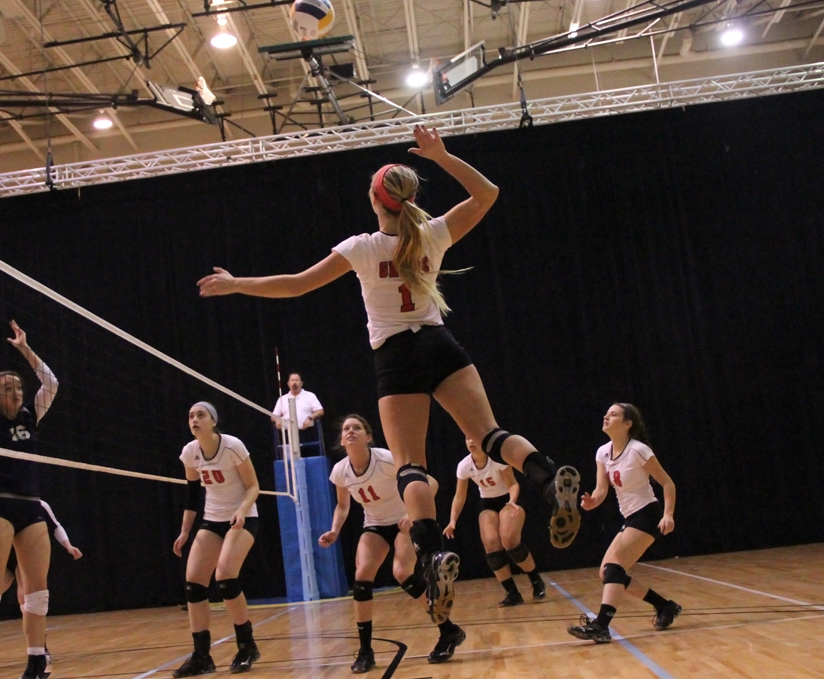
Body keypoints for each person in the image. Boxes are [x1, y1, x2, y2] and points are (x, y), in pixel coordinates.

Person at [198, 125, 581, 626]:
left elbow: (294, 286)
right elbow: (488, 193)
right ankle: (551, 481)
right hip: (439, 343)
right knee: (490, 434)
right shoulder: (435, 233)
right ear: (410, 198)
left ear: (375, 203)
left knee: (410, 464)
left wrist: (235, 285)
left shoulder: (360, 247)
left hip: (396, 356)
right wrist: (442, 155)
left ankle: (430, 554)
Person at [319, 415, 464, 673]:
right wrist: (334, 530)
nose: (350, 431)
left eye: (357, 427)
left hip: (402, 520)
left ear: (368, 436)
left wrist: (413, 513)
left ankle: (447, 629)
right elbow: (343, 506)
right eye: (346, 429)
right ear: (342, 439)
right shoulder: (340, 471)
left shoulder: (385, 459)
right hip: (374, 523)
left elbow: (430, 483)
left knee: (402, 572)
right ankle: (366, 651)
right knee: (362, 576)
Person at [0, 320, 58, 679]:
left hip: (30, 505)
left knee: (37, 590)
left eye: (18, 385)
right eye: (8, 387)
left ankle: (37, 660)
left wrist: (25, 349)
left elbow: (51, 383)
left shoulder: (30, 415)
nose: (17, 391)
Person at [567, 403, 680, 643]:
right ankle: (664, 606)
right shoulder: (603, 453)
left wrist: (668, 514)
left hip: (648, 514)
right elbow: (600, 491)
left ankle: (601, 625)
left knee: (613, 569)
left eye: (613, 414)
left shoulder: (638, 450)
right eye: (606, 412)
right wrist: (591, 502)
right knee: (607, 573)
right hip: (631, 517)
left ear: (628, 424)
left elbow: (668, 483)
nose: (606, 416)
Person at [171, 402, 261, 677]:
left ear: (213, 421)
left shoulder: (232, 446)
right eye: (191, 415)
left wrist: (241, 511)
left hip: (243, 517)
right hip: (212, 519)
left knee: (225, 577)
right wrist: (185, 531)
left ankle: (247, 646)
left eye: (200, 415)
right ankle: (201, 657)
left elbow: (253, 486)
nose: (194, 419)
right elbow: (192, 495)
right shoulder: (190, 452)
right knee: (194, 584)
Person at [0, 499, 82, 672]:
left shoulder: (39, 505)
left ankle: (40, 650)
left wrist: (68, 545)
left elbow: (56, 526)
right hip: (2, 558)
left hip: (22, 558)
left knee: (28, 599)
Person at [444, 436, 546, 607]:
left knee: (510, 541)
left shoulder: (497, 459)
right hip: (488, 503)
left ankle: (536, 581)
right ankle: (512, 593)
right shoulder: (464, 465)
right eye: (467, 438)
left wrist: (512, 501)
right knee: (491, 543)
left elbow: (513, 484)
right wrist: (452, 520)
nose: (471, 441)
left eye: (473, 437)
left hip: (508, 499)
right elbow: (459, 496)